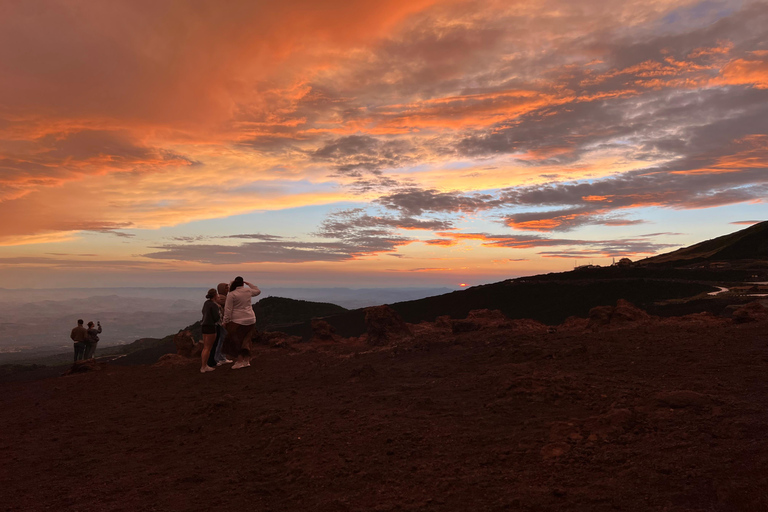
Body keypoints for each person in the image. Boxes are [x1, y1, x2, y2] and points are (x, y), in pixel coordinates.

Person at [223, 276, 261, 369]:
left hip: (238, 321)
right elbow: (257, 291)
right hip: (251, 319)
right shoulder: (248, 291)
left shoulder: (232, 294)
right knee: (246, 340)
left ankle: (239, 361)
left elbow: (228, 309)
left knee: (237, 341)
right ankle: (246, 360)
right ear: (243, 283)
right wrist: (249, 284)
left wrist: (225, 321)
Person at [200, 288, 220, 373]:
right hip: (211, 327)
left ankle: (204, 365)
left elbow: (203, 312)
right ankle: (204, 367)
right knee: (208, 348)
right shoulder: (214, 305)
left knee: (205, 347)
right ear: (215, 295)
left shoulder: (206, 303)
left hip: (204, 326)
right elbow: (216, 317)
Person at [212, 282, 233, 366]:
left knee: (221, 340)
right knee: (222, 341)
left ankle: (220, 357)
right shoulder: (222, 298)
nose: (228, 289)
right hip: (222, 323)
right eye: (226, 288)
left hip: (220, 322)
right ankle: (219, 358)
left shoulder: (220, 297)